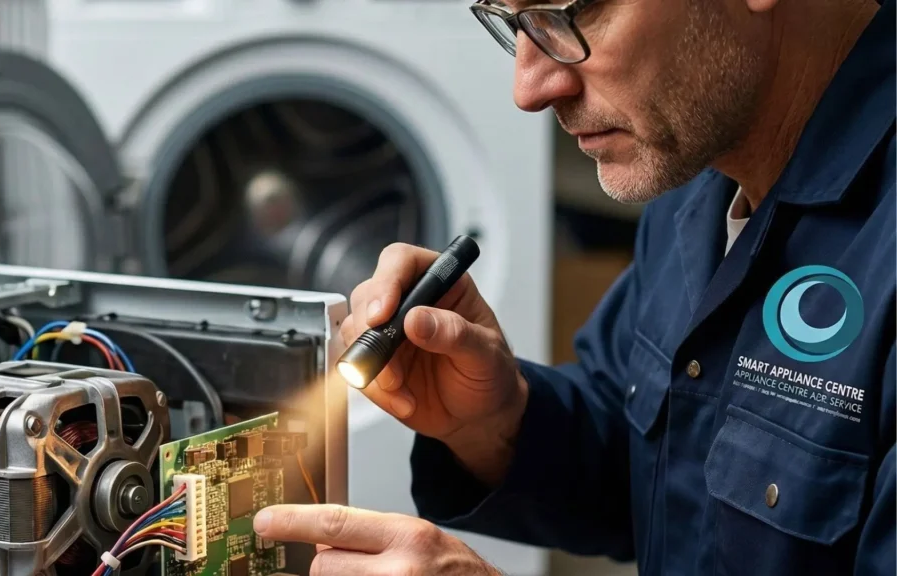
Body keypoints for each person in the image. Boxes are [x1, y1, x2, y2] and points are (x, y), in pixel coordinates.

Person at [252, 0, 896, 573]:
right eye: (513, 23)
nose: (529, 89)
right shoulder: (700, 173)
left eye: (570, 15)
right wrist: (496, 423)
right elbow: (660, 465)